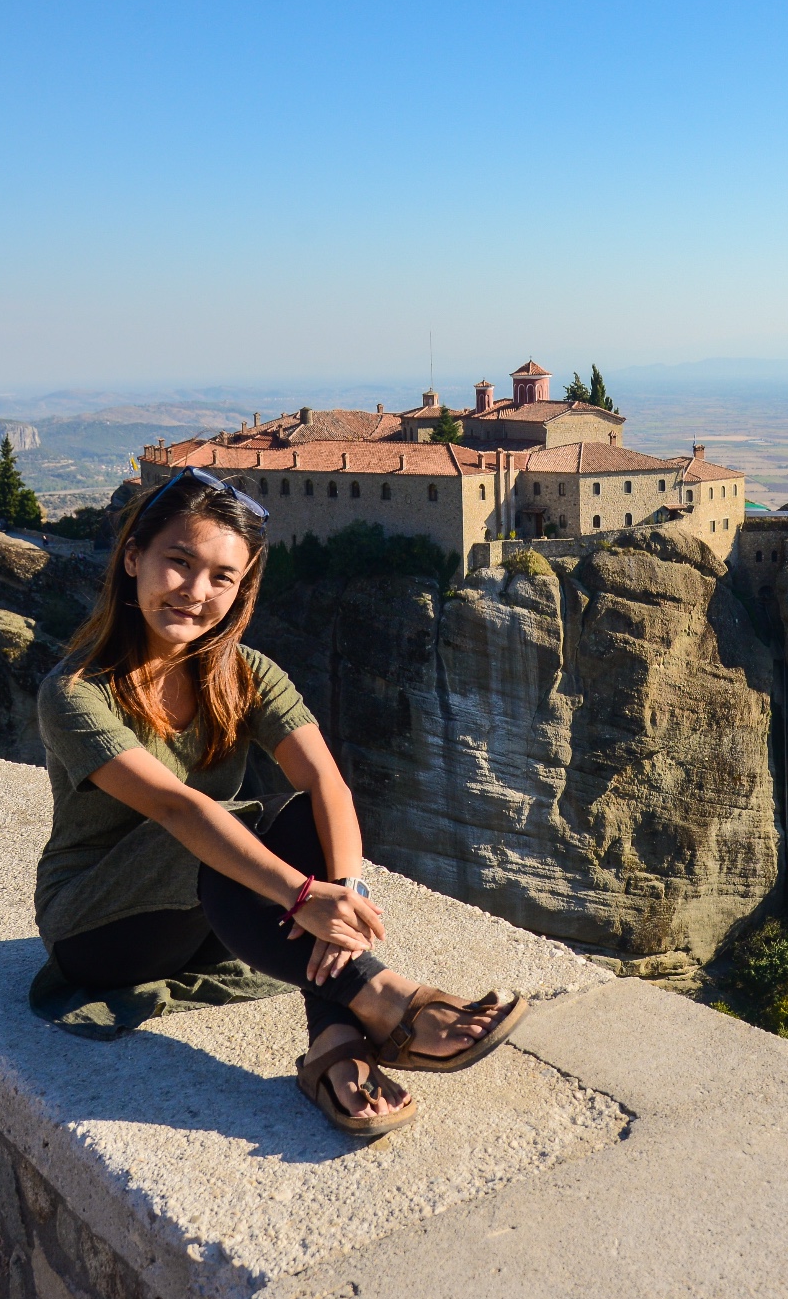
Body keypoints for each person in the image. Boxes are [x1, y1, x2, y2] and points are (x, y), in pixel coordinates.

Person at [33, 467, 523, 1138]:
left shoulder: (245, 673)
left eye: (221, 578)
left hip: (206, 910)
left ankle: (332, 1045)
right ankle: (388, 996)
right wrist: (301, 896)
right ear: (132, 557)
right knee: (222, 828)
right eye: (178, 562)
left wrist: (340, 892)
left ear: (241, 589)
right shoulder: (75, 691)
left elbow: (328, 783)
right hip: (97, 925)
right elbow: (179, 811)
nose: (196, 592)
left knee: (301, 814)